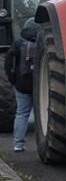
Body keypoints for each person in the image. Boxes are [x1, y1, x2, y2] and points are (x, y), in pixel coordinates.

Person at [4, 19, 38, 152]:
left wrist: (13, 81)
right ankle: (40, 144)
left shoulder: (18, 44)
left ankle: (18, 144)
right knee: (42, 113)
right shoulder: (42, 43)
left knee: (22, 113)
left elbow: (9, 65)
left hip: (22, 84)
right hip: (38, 83)